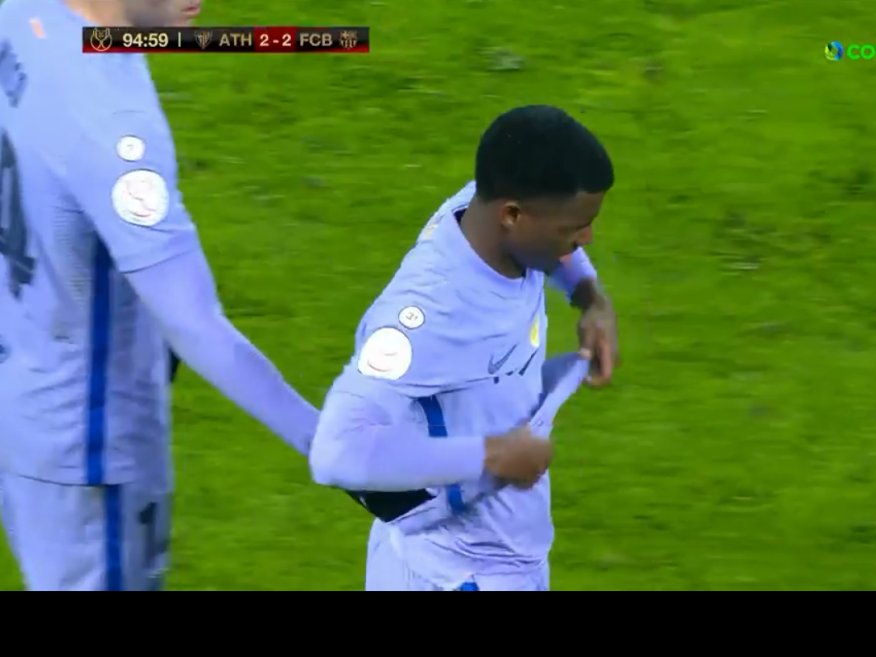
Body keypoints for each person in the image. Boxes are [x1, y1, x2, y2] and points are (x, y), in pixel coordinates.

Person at [0, 0, 318, 591]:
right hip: (87, 445)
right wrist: (329, 442)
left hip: (22, 393)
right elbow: (193, 322)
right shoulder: (110, 120)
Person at [310, 104, 619, 591]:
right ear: (512, 215)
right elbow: (335, 452)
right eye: (573, 229)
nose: (587, 238)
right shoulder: (427, 314)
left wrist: (590, 298)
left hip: (505, 557)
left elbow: (559, 244)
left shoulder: (485, 212)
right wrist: (491, 456)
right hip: (450, 573)